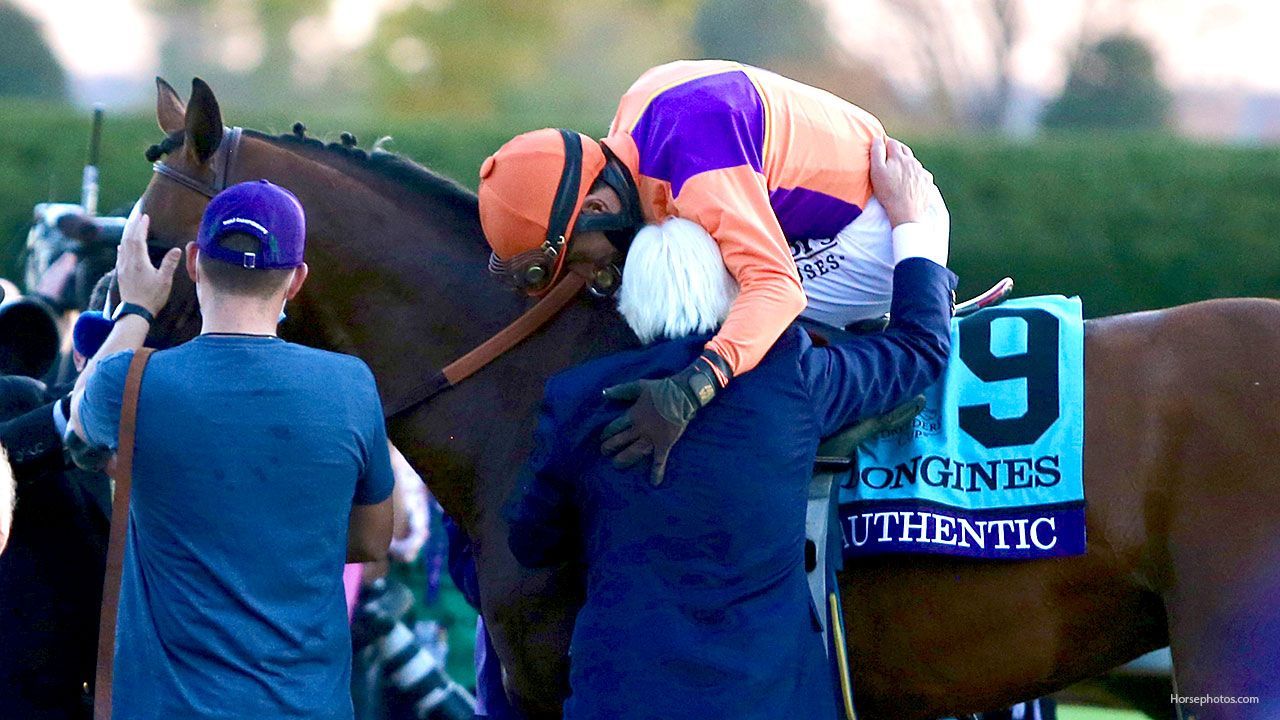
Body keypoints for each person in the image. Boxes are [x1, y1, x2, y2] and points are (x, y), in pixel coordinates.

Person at [503, 151, 955, 719]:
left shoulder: (576, 399)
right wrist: (912, 222)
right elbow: (920, 348)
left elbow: (531, 543)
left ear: (630, 298)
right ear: (733, 289)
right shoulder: (790, 373)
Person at [478, 59, 949, 483]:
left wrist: (698, 381)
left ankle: (857, 400)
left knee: (689, 293)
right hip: (820, 205)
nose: (588, 272)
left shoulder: (696, 166)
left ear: (598, 207)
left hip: (886, 225)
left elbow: (777, 288)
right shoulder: (632, 126)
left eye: (578, 258)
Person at [69, 180, 395, 720]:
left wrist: (136, 307)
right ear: (296, 280)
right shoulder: (351, 384)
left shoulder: (132, 384)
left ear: (195, 262)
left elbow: (80, 414)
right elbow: (371, 539)